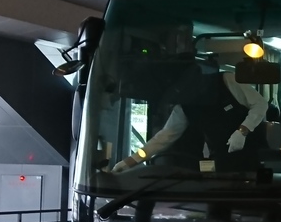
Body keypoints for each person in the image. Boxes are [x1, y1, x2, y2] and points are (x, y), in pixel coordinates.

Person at [112, 59, 267, 173]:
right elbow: (164, 137)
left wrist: (242, 131)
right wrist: (130, 161)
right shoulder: (184, 105)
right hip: (221, 160)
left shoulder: (227, 81)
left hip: (254, 155)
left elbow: (260, 104)